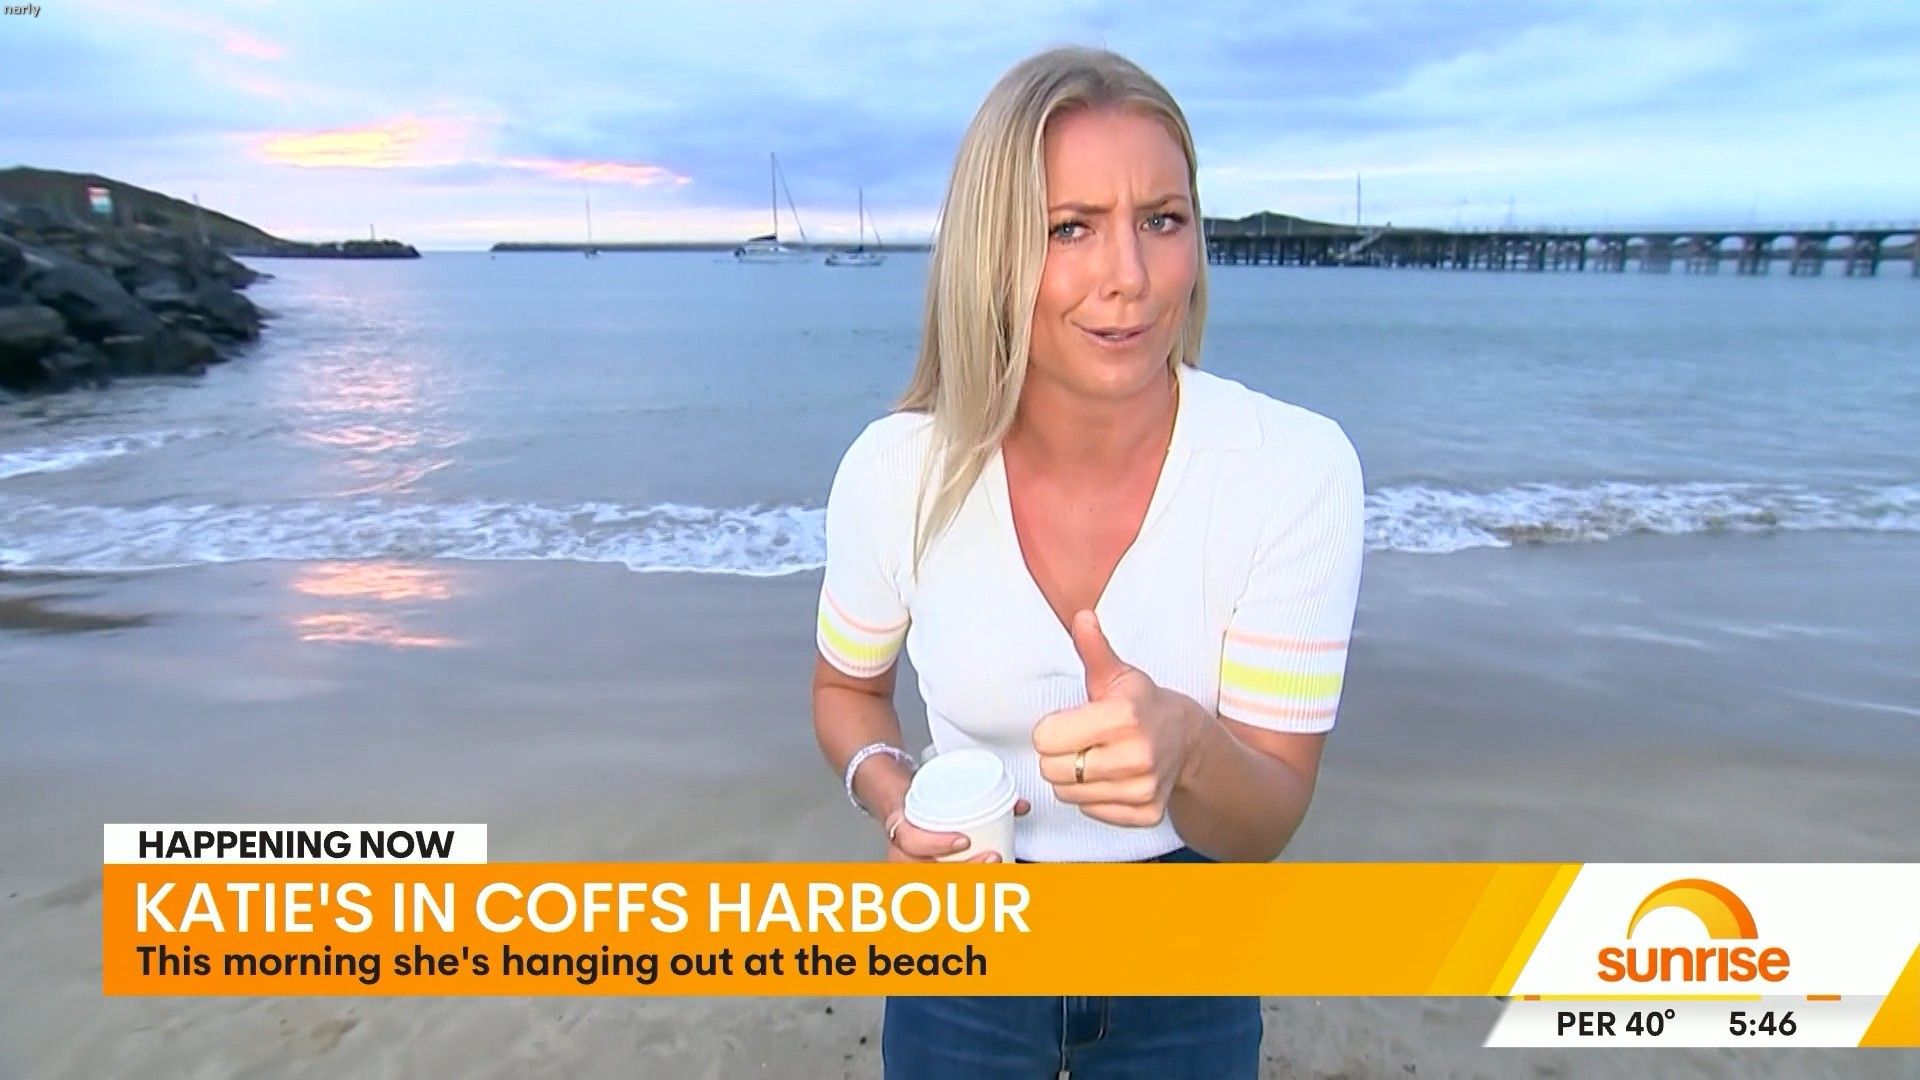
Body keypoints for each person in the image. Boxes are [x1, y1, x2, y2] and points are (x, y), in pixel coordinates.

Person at [810, 45, 1364, 1079]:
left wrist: (1188, 749)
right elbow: (847, 688)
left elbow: (1268, 817)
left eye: (1163, 220)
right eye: (1071, 227)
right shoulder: (895, 473)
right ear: (993, 251)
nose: (1130, 277)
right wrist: (895, 796)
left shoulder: (1293, 469)